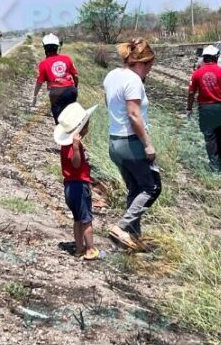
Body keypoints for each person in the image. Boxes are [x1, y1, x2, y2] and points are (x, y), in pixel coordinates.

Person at [104, 39, 159, 252]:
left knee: (135, 188)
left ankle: (133, 237)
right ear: (142, 62)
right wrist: (148, 144)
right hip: (131, 142)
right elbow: (134, 115)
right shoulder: (134, 80)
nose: (150, 70)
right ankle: (122, 227)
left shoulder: (112, 76)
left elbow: (109, 104)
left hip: (115, 141)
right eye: (150, 65)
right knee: (152, 187)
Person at [54, 102, 101, 260]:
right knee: (86, 219)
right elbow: (76, 164)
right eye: (86, 124)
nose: (88, 126)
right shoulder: (72, 146)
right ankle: (90, 249)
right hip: (79, 186)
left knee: (77, 219)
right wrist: (76, 148)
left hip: (69, 186)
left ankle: (79, 248)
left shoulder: (65, 145)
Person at [186, 45, 221, 171]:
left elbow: (191, 93)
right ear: (216, 57)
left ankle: (214, 164)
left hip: (205, 109)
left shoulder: (197, 73)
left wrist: (189, 109)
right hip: (220, 108)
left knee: (210, 138)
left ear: (204, 58)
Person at [31, 33, 79, 123]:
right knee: (71, 117)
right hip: (71, 90)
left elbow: (39, 82)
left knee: (60, 121)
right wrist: (75, 88)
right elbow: (75, 76)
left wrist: (35, 96)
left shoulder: (43, 63)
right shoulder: (67, 58)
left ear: (45, 48)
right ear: (57, 47)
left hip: (55, 93)